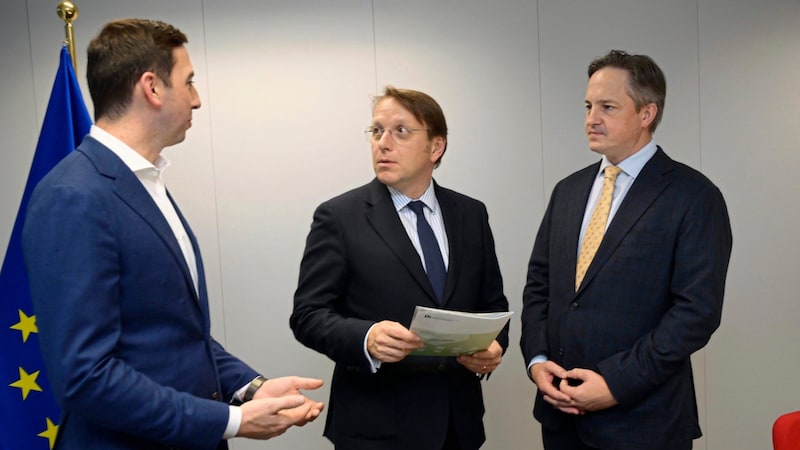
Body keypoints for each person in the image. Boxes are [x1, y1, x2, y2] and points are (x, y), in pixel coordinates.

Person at [22, 18, 323, 449]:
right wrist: (230, 420)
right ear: (152, 87)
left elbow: (174, 333)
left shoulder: (145, 183)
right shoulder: (74, 195)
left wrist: (251, 388)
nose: (197, 100)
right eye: (190, 81)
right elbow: (86, 377)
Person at [520, 50, 733, 450]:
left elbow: (696, 312)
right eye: (587, 105)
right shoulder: (568, 191)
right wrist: (537, 361)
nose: (591, 118)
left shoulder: (694, 196)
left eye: (607, 106)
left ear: (646, 113)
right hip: (560, 417)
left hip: (643, 422)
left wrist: (616, 383)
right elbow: (539, 287)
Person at [290, 86, 509, 450]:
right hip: (377, 429)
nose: (383, 143)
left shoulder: (471, 215)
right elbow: (308, 315)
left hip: (459, 425)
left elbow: (492, 306)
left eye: (401, 131)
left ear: (436, 147)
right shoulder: (339, 217)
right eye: (377, 131)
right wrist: (367, 338)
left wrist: (493, 348)